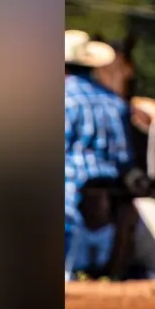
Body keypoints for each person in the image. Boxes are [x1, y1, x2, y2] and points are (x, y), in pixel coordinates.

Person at [63, 30, 134, 278]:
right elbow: (125, 157)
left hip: (71, 185)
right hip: (107, 183)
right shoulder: (114, 101)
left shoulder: (65, 97)